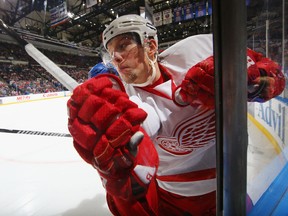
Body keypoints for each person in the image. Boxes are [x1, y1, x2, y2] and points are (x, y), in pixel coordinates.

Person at [67, 14, 285, 216]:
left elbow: (274, 76)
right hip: (174, 202)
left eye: (123, 45)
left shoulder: (200, 49)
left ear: (151, 45)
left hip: (231, 190)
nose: (117, 57)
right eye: (112, 52)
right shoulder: (127, 100)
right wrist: (113, 170)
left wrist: (248, 82)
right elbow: (141, 130)